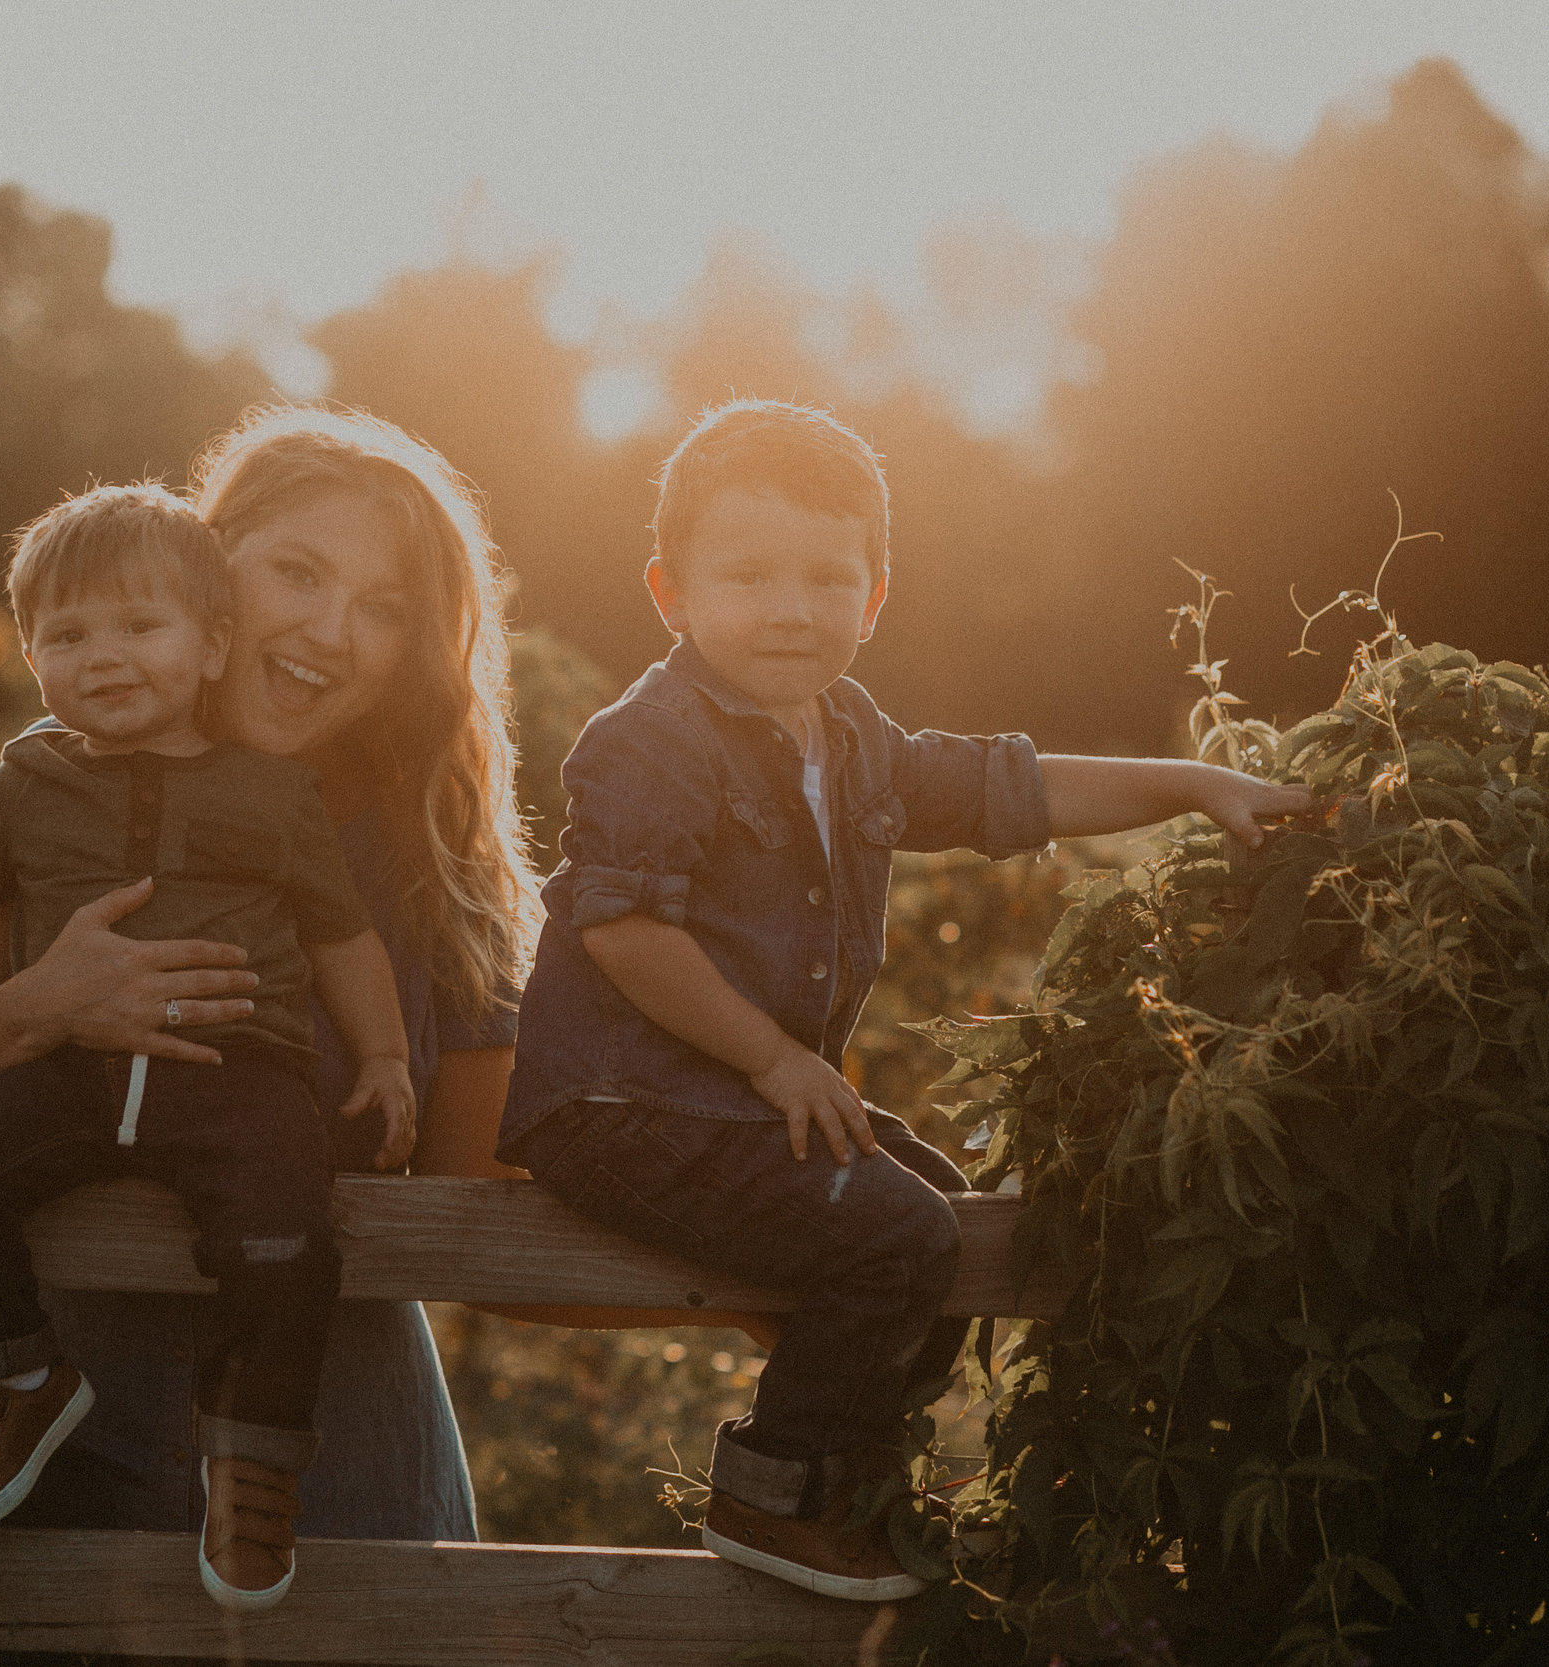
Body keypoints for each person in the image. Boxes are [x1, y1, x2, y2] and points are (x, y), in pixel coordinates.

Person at [499, 399, 1314, 1602]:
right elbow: (623, 930)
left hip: (723, 1096)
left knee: (948, 1213)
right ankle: (775, 1488)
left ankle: (856, 1468)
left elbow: (1011, 786)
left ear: (873, 598)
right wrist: (778, 1061)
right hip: (621, 1102)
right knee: (896, 1232)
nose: (791, 606)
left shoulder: (855, 740)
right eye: (750, 574)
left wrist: (1192, 780)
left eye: (828, 577)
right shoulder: (649, 741)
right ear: (671, 592)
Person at [0, 408, 540, 1551]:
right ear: (211, 565)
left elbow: (483, 1214)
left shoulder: (438, 863)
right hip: (35, 1444)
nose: (332, 631)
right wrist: (37, 1008)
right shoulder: (60, 796)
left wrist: (770, 1290)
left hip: (330, 1457)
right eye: (298, 571)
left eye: (384, 608)